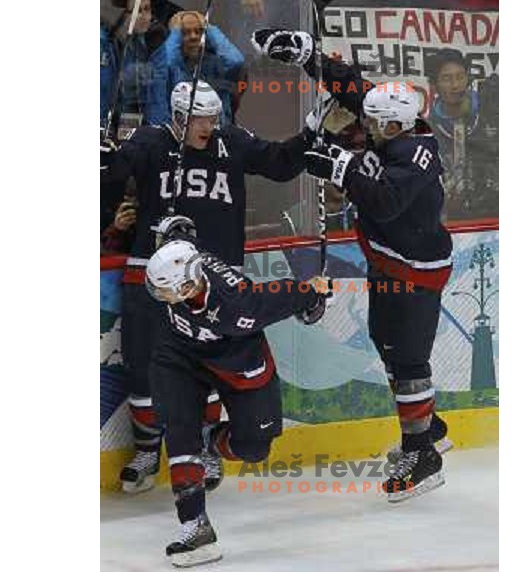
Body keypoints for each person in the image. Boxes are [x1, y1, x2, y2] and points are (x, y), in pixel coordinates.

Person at [252, 28, 454, 502]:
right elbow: (352, 89)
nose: (369, 128)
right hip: (389, 265)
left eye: (377, 127)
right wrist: (308, 56)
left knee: (407, 360)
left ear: (398, 127)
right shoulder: (397, 122)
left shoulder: (415, 154)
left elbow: (384, 200)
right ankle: (429, 425)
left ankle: (422, 453)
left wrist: (338, 161)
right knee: (389, 349)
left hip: (414, 273)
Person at [100, 79, 316, 494]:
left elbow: (279, 163)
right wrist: (104, 153)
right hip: (153, 273)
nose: (209, 126)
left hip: (214, 281)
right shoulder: (150, 140)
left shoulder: (231, 142)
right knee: (143, 366)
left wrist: (309, 133)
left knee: (211, 367)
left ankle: (203, 447)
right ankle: (148, 450)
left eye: (214, 117)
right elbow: (116, 171)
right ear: (179, 116)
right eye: (200, 118)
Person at [145, 224, 329, 566]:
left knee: (254, 447)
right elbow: (181, 239)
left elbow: (283, 295)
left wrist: (312, 296)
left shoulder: (238, 305)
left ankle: (209, 440)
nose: (163, 299)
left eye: (167, 292)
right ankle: (195, 526)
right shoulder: (184, 261)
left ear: (188, 285)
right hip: (178, 357)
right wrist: (172, 230)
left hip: (237, 363)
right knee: (178, 429)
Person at [427, 48, 499, 219]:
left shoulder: (492, 113)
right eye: (446, 78)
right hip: (456, 224)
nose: (455, 85)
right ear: (434, 85)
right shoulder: (429, 130)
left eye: (460, 76)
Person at [100, 0, 170, 136]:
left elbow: (157, 95)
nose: (147, 17)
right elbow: (102, 95)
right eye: (138, 10)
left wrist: (158, 135)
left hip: (132, 130)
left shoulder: (150, 41)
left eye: (148, 9)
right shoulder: (102, 43)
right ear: (118, 15)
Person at [165, 11, 245, 126]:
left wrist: (209, 28)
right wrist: (176, 32)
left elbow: (236, 61)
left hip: (218, 132)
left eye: (199, 32)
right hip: (181, 135)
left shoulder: (215, 63)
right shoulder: (174, 66)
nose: (193, 37)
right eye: (185, 32)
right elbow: (167, 64)